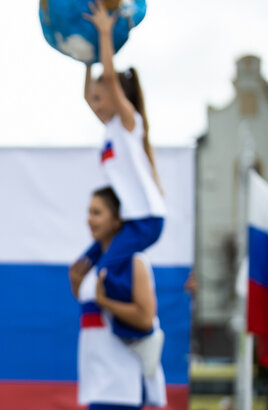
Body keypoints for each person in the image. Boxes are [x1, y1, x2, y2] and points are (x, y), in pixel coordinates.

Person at [62, 186, 195, 410]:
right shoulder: (95, 265)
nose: (89, 219)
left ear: (118, 219)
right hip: (102, 381)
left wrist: (105, 301)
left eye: (98, 212)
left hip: (120, 384)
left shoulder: (134, 261)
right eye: (89, 211)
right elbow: (96, 317)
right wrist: (79, 286)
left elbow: (145, 318)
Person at [76, 0, 167, 343]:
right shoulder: (111, 128)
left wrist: (103, 34)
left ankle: (139, 331)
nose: (96, 104)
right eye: (96, 100)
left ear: (118, 97)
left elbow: (110, 76)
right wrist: (85, 59)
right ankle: (120, 315)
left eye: (102, 98)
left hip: (147, 220)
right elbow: (87, 93)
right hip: (131, 220)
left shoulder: (129, 124)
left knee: (106, 274)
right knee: (84, 265)